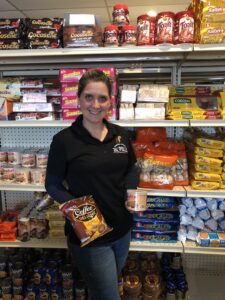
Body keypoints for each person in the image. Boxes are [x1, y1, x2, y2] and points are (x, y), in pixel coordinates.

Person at [45, 69, 139, 300]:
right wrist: (84, 214)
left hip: (122, 228)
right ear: (78, 100)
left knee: (103, 288)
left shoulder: (121, 135)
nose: (95, 104)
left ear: (110, 102)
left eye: (102, 98)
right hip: (91, 234)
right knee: (108, 295)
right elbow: (53, 184)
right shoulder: (64, 141)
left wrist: (131, 191)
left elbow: (131, 168)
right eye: (89, 97)